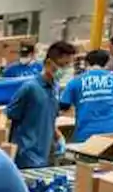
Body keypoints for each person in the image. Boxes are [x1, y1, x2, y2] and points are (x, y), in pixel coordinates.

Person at [5, 40, 76, 169]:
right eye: (63, 65)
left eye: (69, 66)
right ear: (49, 63)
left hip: (44, 156)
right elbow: (8, 118)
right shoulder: (30, 88)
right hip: (27, 157)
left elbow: (47, 118)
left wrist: (59, 137)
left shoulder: (55, 88)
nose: (65, 70)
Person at [60, 49, 113, 144]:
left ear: (87, 63)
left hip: (86, 131)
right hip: (111, 130)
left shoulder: (75, 81)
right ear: (106, 62)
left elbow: (64, 105)